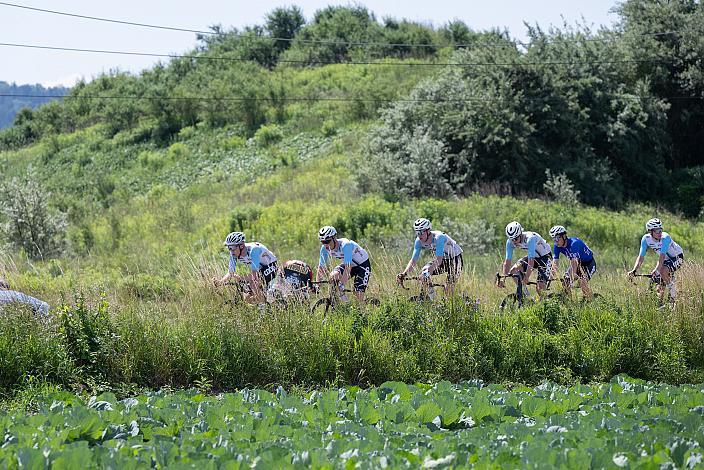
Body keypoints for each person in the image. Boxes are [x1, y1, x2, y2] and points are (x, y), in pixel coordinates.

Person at [396, 218, 463, 300]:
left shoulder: (439, 237)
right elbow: (413, 261)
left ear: (428, 231)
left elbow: (439, 259)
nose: (419, 235)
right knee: (424, 272)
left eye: (421, 232)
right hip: (443, 260)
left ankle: (452, 306)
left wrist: (429, 272)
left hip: (455, 260)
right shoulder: (418, 241)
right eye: (417, 232)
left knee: (447, 289)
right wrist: (404, 274)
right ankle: (430, 299)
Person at [628, 218, 684, 305]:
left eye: (660, 230)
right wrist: (634, 270)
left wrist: (657, 269)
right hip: (665, 260)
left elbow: (662, 256)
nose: (660, 233)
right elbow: (641, 257)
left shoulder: (665, 237)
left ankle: (673, 293)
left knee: (662, 271)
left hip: (677, 257)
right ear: (650, 231)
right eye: (657, 230)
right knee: (658, 283)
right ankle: (660, 305)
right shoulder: (646, 239)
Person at [213, 231, 278, 304]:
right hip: (260, 269)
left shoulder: (254, 250)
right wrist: (220, 282)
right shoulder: (234, 253)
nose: (231, 251)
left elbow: (254, 276)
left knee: (254, 285)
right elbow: (231, 272)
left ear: (241, 246)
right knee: (247, 298)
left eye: (232, 247)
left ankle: (264, 309)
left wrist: (241, 278)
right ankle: (266, 301)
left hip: (271, 266)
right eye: (229, 248)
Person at [497, 221, 552, 298]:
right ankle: (528, 298)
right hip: (535, 256)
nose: (514, 242)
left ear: (520, 234)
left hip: (545, 257)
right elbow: (507, 262)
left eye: (515, 239)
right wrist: (503, 278)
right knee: (514, 270)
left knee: (540, 288)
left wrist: (527, 276)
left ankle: (547, 303)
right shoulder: (510, 242)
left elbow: (531, 261)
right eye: (511, 239)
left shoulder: (530, 238)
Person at [316, 226, 371, 302]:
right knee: (333, 276)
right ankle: (344, 303)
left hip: (362, 265)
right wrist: (317, 285)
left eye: (327, 241)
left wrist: (342, 284)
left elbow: (348, 267)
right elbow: (321, 267)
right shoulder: (324, 249)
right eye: (323, 242)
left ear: (334, 238)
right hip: (349, 264)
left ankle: (361, 310)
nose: (325, 245)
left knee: (358, 295)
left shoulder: (345, 245)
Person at [549, 225, 596, 299]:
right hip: (578, 263)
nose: (556, 241)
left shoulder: (574, 244)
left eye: (557, 238)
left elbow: (574, 263)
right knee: (565, 282)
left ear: (564, 236)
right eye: (553, 239)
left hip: (588, 264)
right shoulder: (557, 247)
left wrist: (572, 277)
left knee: (582, 283)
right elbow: (555, 263)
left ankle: (591, 301)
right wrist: (551, 275)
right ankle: (569, 302)